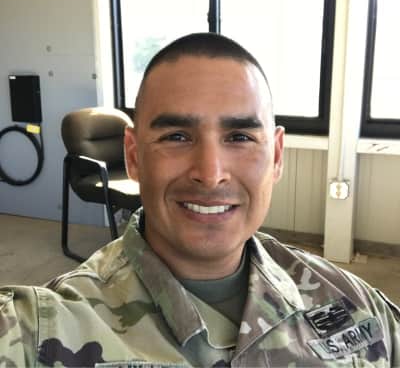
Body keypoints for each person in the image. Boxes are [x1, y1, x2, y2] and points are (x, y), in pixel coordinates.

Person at [1, 33, 399, 368]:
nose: (210, 173)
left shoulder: (360, 306)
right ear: (134, 157)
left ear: (276, 156)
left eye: (239, 137)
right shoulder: (38, 332)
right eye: (176, 136)